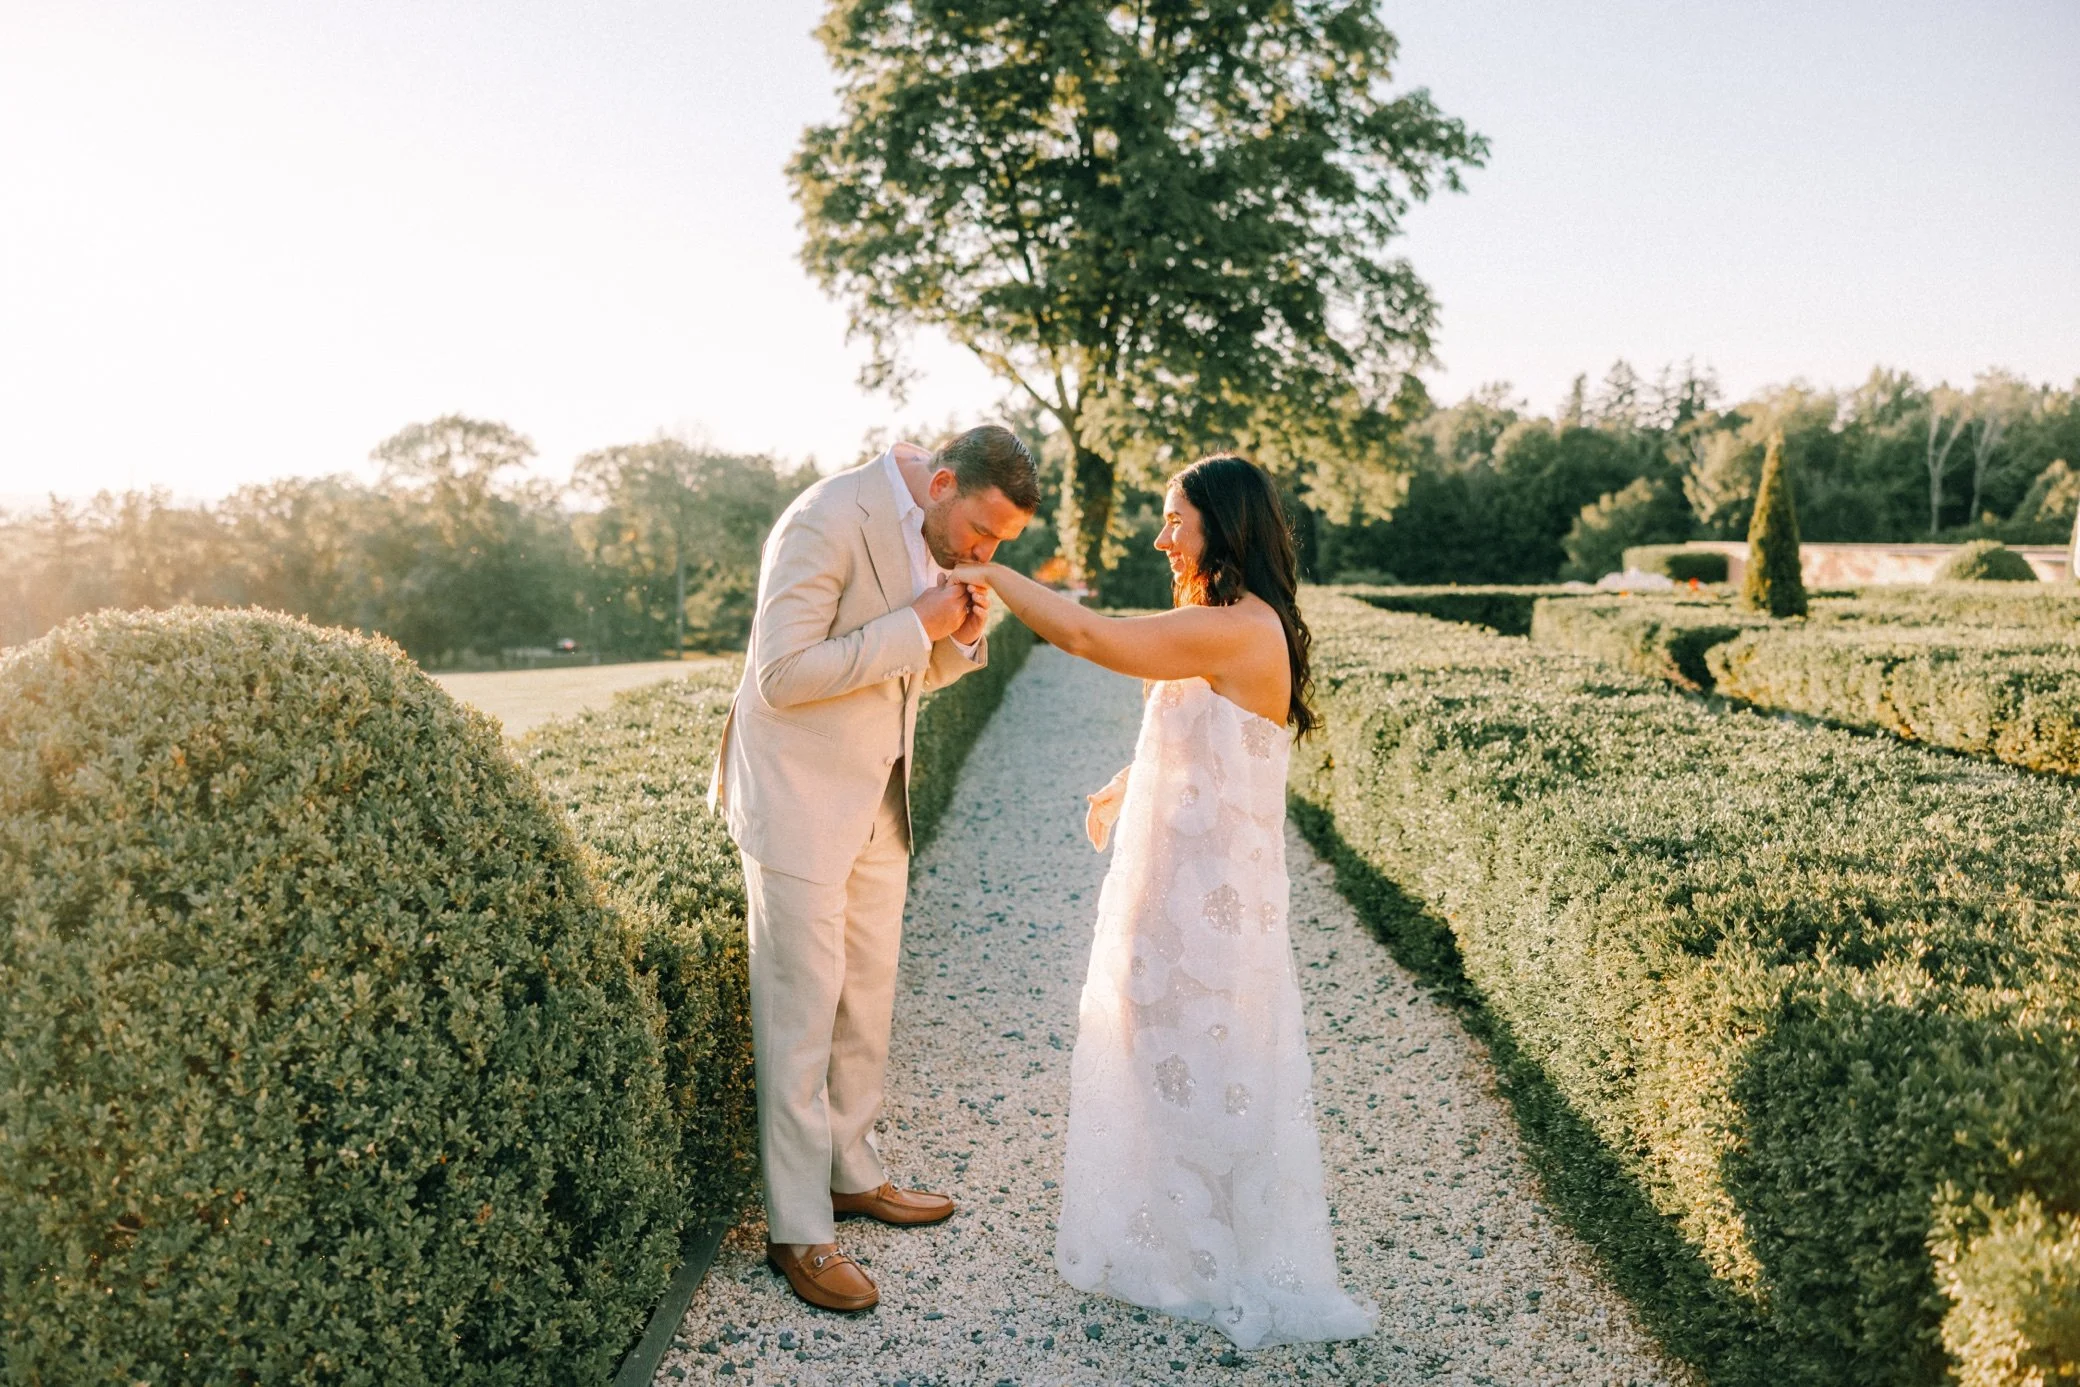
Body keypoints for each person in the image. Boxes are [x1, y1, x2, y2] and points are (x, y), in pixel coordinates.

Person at [949, 454, 1377, 1349]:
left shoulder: (1238, 625)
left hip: (1207, 896)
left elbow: (1094, 638)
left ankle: (1216, 1258)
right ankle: (1178, 1241)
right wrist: (1131, 779)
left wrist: (994, 572)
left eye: (1174, 517)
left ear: (1222, 526)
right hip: (1177, 878)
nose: (1161, 534)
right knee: (1160, 1052)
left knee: (1202, 1062)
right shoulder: (1221, 621)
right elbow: (1206, 733)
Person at [709, 424, 1039, 1311]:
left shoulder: (935, 531)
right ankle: (798, 1229)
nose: (982, 552)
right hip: (798, 804)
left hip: (878, 800)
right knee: (801, 1016)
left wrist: (957, 640)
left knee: (867, 999)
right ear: (939, 485)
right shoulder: (823, 518)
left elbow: (901, 675)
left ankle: (853, 1171)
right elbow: (781, 675)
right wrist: (916, 623)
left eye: (999, 545)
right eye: (982, 533)